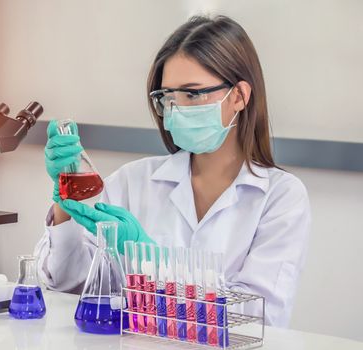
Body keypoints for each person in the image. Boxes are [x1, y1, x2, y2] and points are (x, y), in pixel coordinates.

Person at [34, 15, 311, 327]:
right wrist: (65, 200)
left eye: (192, 94)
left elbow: (258, 319)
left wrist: (153, 263)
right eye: (168, 97)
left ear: (239, 96)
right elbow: (66, 282)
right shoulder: (132, 181)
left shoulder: (280, 197)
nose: (176, 109)